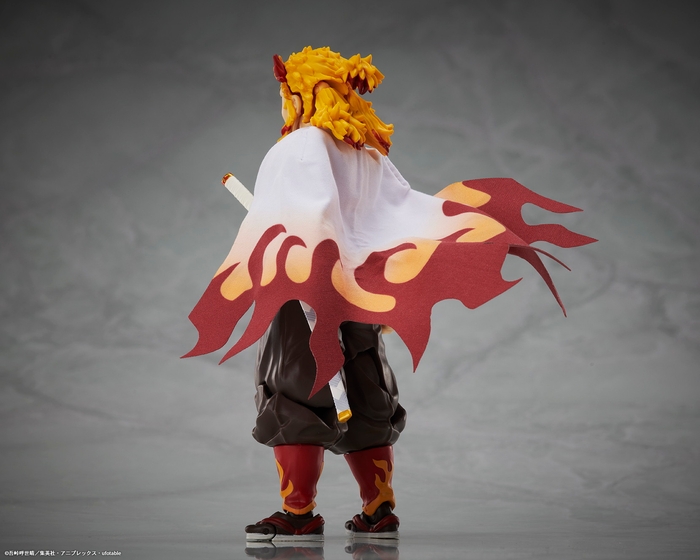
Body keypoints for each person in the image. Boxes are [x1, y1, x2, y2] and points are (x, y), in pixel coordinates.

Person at [184, 46, 595, 542]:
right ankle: (379, 508)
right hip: (364, 292)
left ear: (297, 91)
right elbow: (402, 215)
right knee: (365, 392)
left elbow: (303, 223)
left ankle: (298, 512)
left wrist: (300, 275)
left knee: (293, 391)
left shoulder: (298, 147)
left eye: (284, 94)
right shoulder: (366, 151)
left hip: (310, 290)